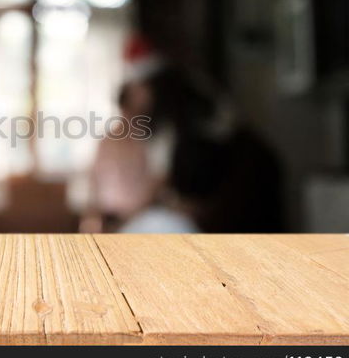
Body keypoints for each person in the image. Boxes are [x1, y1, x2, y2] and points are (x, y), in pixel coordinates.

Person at [83, 34, 282, 233]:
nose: (134, 101)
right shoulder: (161, 116)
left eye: (136, 90)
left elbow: (165, 179)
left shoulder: (180, 114)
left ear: (149, 85)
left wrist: (131, 217)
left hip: (238, 183)